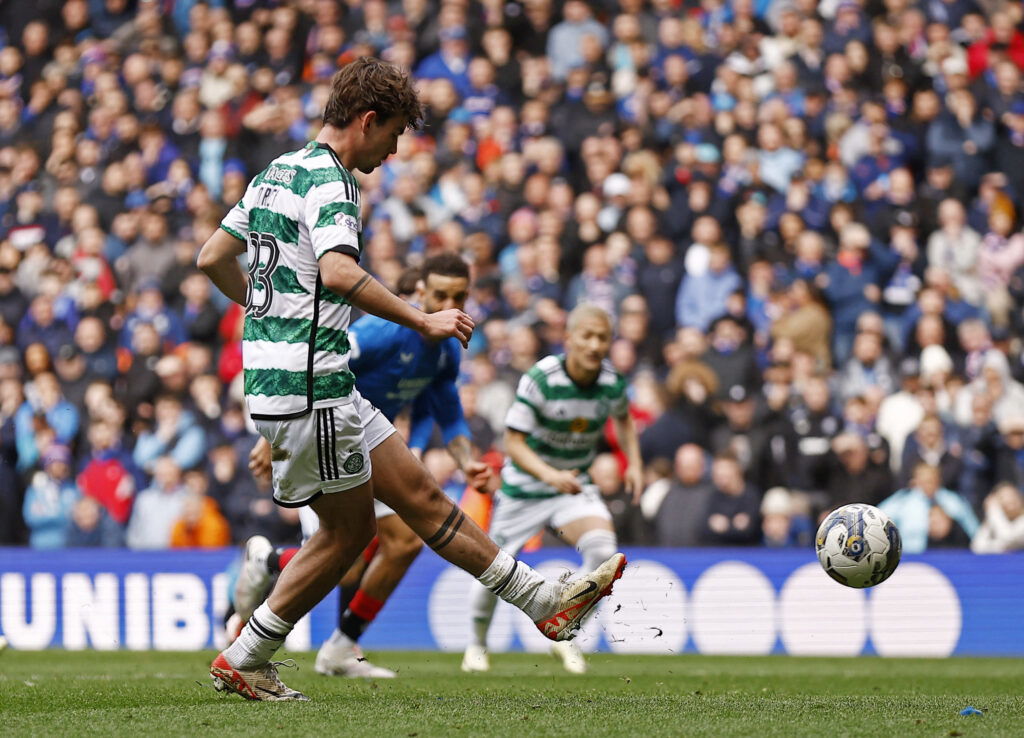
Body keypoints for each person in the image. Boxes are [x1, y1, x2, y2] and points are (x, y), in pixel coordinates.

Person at [196, 58, 625, 702]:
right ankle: (247, 652)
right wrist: (421, 319)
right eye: (393, 134)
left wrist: (264, 313)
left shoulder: (275, 172)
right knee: (350, 534)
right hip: (312, 384)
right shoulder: (334, 181)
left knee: (419, 497)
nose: (394, 150)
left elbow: (213, 257)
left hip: (309, 380)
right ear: (367, 121)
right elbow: (339, 274)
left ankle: (542, 601)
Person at [232, 254, 502, 679]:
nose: (449, 303)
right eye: (440, 295)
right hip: (321, 435)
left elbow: (450, 414)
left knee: (404, 542)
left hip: (369, 448)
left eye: (459, 296)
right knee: (346, 556)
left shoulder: (446, 349)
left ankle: (341, 647)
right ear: (419, 293)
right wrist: (272, 437)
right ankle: (267, 564)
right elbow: (317, 363)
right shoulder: (383, 331)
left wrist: (468, 463)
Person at [462, 304, 643, 676]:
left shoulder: (612, 382)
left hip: (572, 485)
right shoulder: (542, 378)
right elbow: (512, 443)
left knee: (603, 551)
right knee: (493, 570)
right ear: (569, 339)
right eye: (587, 336)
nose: (594, 345)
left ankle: (567, 634)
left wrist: (635, 463)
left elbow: (624, 419)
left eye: (602, 338)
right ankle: (477, 645)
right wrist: (549, 474)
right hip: (525, 488)